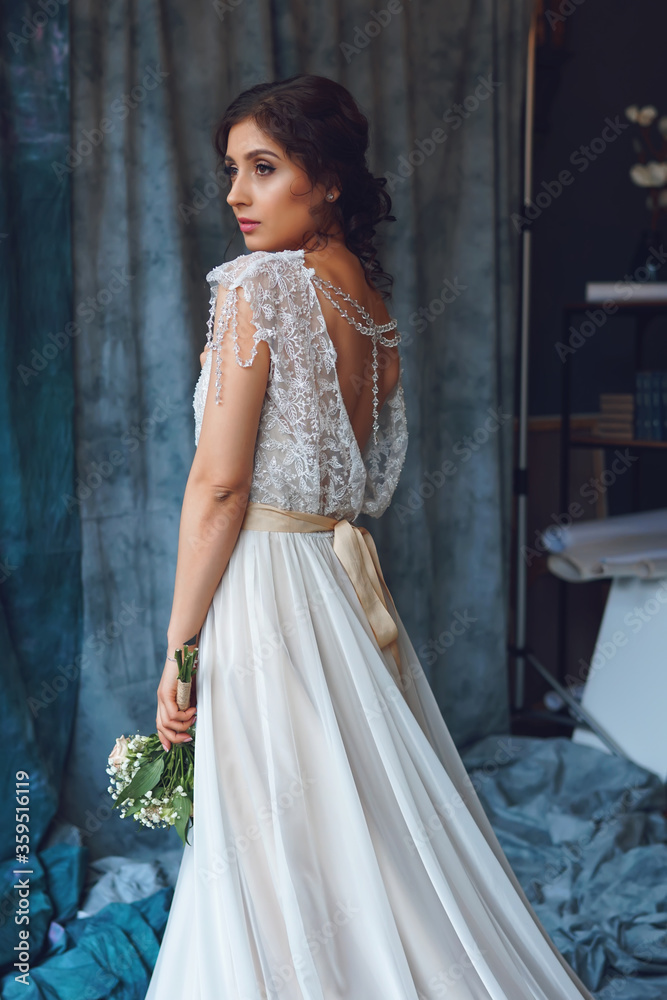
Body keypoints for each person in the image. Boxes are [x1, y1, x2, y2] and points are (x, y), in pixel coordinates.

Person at [146, 74, 596, 1000]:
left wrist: (180, 643)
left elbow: (223, 485)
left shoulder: (260, 285)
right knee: (354, 824)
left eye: (263, 168)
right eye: (231, 169)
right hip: (331, 577)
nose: (235, 194)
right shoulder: (369, 309)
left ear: (330, 179)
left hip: (268, 582)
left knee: (277, 834)